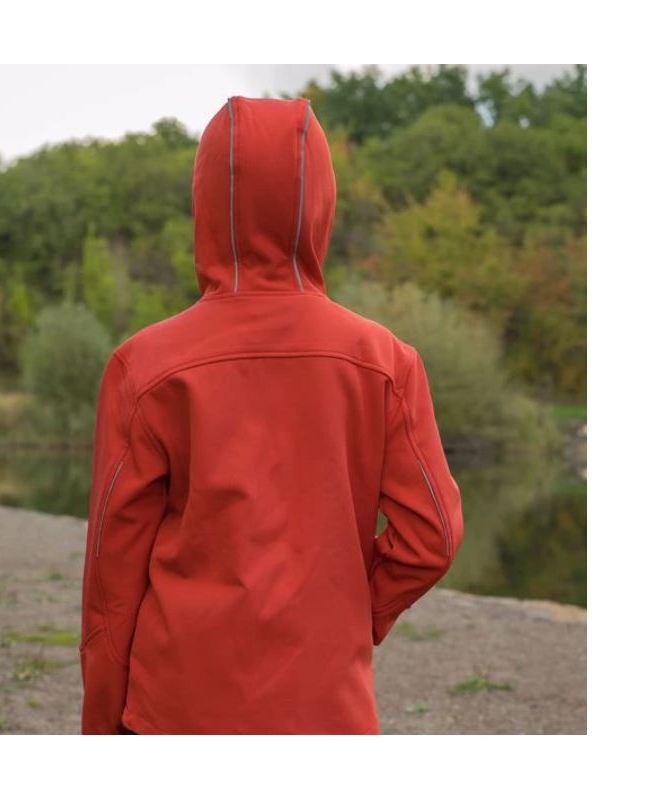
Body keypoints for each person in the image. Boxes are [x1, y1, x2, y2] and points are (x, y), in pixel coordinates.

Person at [79, 96, 464, 735]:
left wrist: (101, 725)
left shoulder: (144, 367)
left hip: (178, 707)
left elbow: (110, 582)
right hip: (326, 710)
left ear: (205, 202)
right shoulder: (385, 362)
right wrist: (350, 612)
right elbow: (433, 538)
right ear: (321, 204)